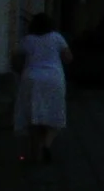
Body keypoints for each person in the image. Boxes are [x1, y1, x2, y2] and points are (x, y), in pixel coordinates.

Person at [12, 13, 71, 164]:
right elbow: (68, 57)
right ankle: (47, 144)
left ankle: (34, 152)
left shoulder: (27, 40)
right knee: (55, 114)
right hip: (53, 78)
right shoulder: (56, 38)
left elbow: (16, 60)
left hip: (31, 78)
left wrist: (22, 70)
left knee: (33, 115)